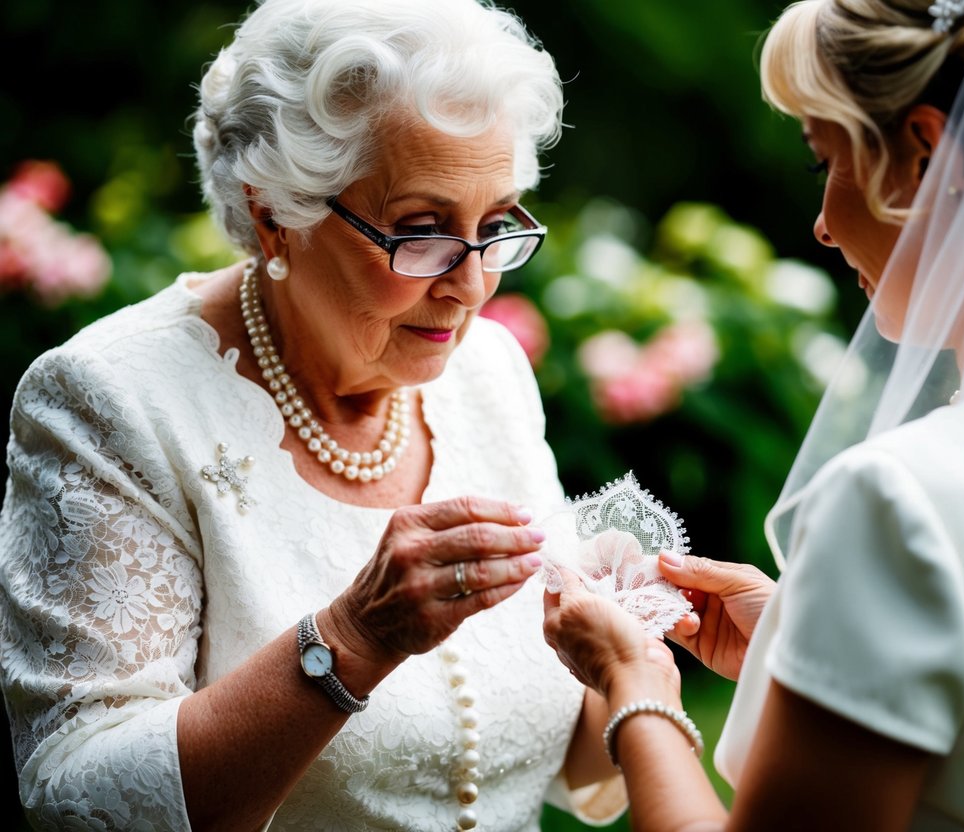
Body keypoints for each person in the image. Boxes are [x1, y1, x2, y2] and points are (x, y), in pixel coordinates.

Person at [542, 0, 964, 828]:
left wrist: (632, 684)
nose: (821, 225)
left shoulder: (899, 504)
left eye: (826, 156)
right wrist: (811, 641)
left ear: (925, 156)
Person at [0, 0, 628, 829]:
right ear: (276, 216)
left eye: (495, 225)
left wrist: (629, 645)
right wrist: (350, 643)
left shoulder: (488, 372)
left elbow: (557, 749)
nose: (471, 287)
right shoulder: (111, 399)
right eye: (423, 231)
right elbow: (75, 793)